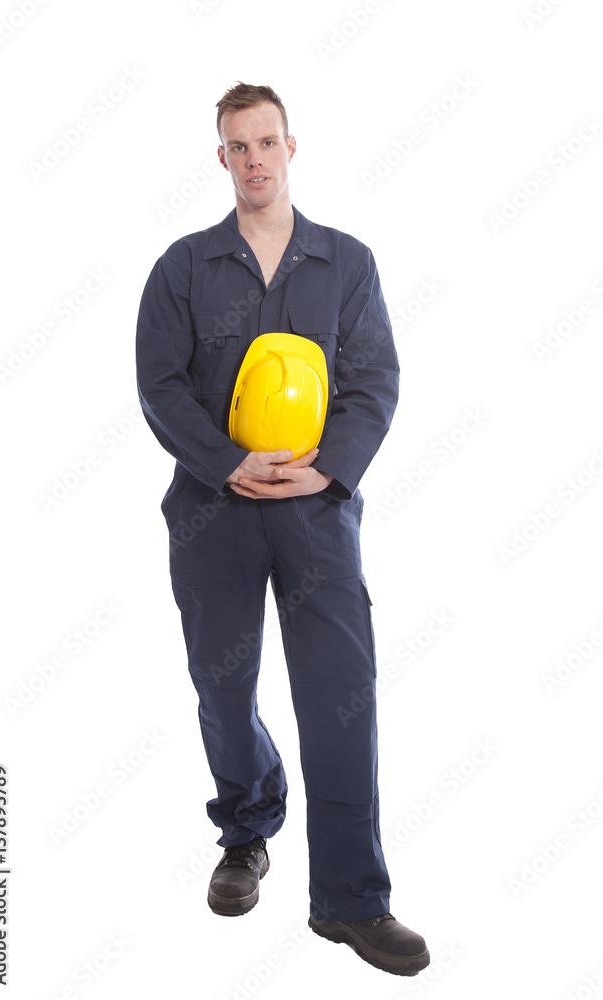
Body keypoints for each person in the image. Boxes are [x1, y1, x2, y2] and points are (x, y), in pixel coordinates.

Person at [135, 81, 430, 977]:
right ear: (221, 157)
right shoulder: (185, 266)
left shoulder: (346, 262)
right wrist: (225, 461)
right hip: (214, 510)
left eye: (267, 142)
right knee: (223, 690)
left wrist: (328, 467)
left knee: (341, 696)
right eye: (239, 146)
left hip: (316, 513)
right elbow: (160, 384)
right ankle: (247, 826)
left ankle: (351, 900)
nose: (255, 159)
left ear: (291, 148)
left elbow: (373, 380)